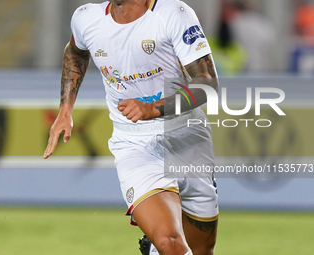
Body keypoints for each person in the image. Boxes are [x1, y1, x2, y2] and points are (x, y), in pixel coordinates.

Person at [43, 0, 219, 254]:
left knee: (202, 249)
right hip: (134, 143)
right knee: (169, 242)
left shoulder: (174, 14)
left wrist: (155, 108)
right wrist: (65, 110)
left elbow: (209, 85)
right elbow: (75, 52)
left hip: (189, 137)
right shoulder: (86, 18)